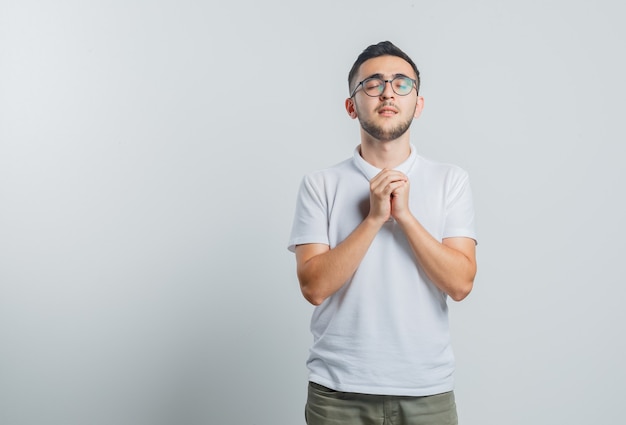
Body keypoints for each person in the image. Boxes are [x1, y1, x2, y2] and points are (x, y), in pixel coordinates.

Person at [287, 41, 477, 425]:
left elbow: (460, 284)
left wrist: (404, 216)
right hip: (338, 393)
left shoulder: (450, 180)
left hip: (427, 391)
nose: (388, 91)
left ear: (417, 104)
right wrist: (373, 219)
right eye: (372, 84)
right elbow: (314, 287)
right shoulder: (319, 184)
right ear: (351, 105)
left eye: (402, 83)